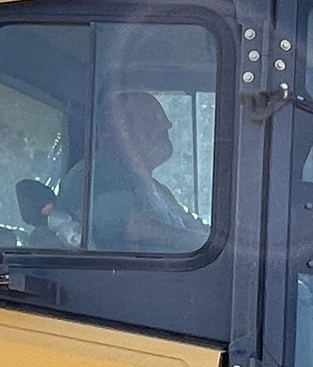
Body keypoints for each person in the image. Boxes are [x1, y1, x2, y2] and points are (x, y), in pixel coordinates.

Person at [57, 91, 207, 252]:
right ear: (113, 131)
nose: (167, 125)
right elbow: (133, 227)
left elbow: (197, 228)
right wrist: (203, 246)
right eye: (149, 120)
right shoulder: (96, 172)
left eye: (162, 118)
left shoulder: (157, 189)